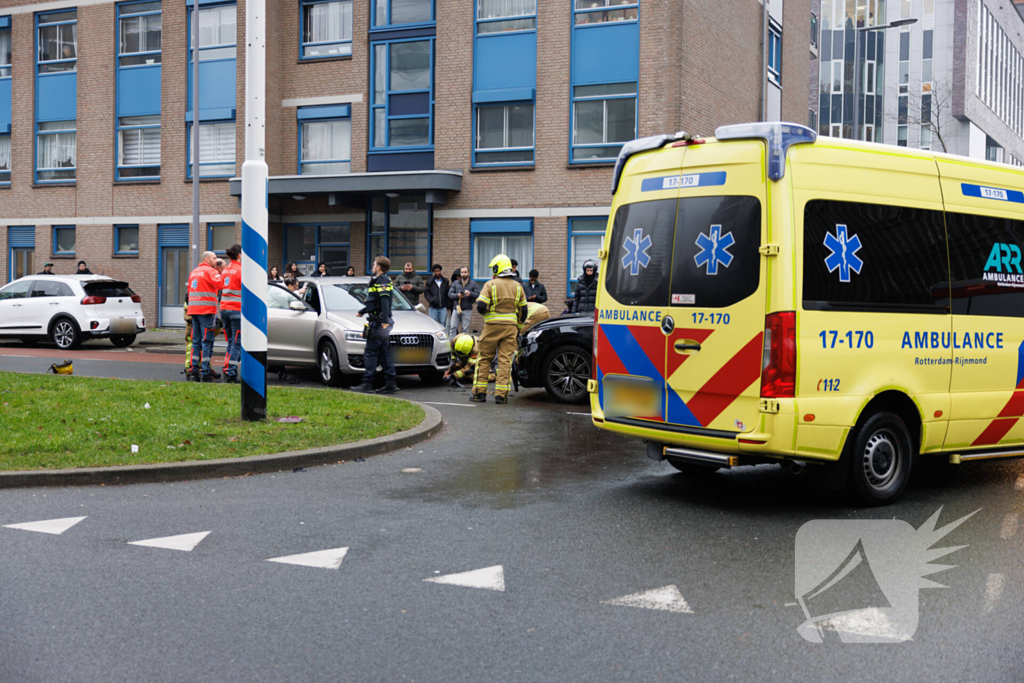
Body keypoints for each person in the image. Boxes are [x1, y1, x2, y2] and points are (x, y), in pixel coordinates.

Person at [472, 254, 526, 404]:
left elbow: (481, 306)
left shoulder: (490, 285)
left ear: (497, 269)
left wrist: (488, 314)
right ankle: (501, 395)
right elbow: (523, 311)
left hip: (491, 327)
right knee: (505, 361)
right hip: (510, 329)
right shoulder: (518, 286)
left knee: (484, 359)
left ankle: (479, 393)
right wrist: (518, 328)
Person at [351, 255, 398, 394]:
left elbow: (384, 301)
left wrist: (384, 321)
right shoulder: (380, 280)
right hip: (380, 321)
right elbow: (375, 302)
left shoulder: (382, 280)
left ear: (378, 267)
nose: (372, 267)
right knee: (384, 353)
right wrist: (363, 311)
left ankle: (367, 384)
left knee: (370, 353)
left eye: (374, 265)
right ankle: (390, 383)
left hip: (379, 323)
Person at [186, 251, 224, 382]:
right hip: (206, 310)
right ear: (207, 259)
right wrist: (222, 273)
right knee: (207, 341)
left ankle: (193, 371)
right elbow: (221, 284)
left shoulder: (194, 272)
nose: (216, 260)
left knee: (196, 342)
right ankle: (205, 372)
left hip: (194, 310)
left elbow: (189, 291)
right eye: (214, 258)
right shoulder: (211, 271)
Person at [219, 244, 242, 383]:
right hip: (236, 310)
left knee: (230, 342)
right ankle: (230, 372)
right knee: (237, 343)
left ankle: (226, 368)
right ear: (239, 255)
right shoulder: (241, 269)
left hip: (224, 309)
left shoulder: (226, 269)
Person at [448, 267, 479, 336]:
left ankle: (464, 342)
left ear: (468, 273)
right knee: (452, 328)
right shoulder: (455, 283)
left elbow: (477, 294)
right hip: (456, 309)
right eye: (462, 272)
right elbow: (450, 294)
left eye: (465, 272)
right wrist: (457, 295)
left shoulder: (473, 284)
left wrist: (470, 294)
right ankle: (452, 342)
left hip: (467, 309)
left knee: (465, 329)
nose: (463, 274)